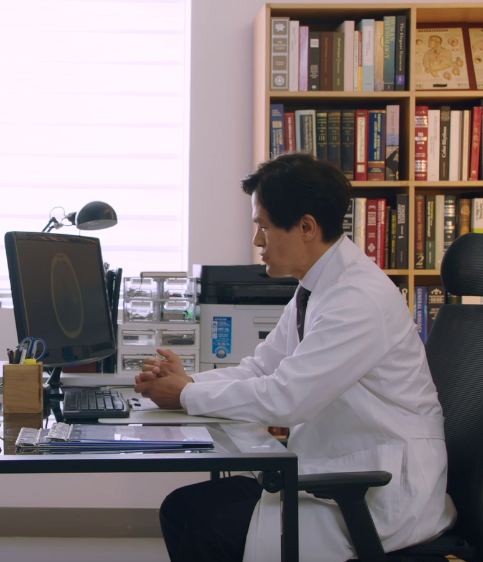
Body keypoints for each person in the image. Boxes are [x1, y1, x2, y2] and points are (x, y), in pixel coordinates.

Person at [136, 153, 456, 562]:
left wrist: (184, 395)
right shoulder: (316, 287)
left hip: (376, 489)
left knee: (209, 533)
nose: (257, 241)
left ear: (306, 227)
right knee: (181, 509)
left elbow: (288, 399)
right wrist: (189, 382)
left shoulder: (358, 298)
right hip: (335, 468)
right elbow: (262, 368)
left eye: (264, 226)